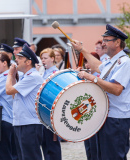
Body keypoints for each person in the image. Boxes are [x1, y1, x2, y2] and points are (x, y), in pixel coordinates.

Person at [72, 24, 130, 160]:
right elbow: (98, 66)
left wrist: (92, 78)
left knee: (113, 157)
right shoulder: (112, 61)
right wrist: (82, 49)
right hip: (106, 116)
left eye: (106, 40)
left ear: (117, 42)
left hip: (116, 119)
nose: (103, 43)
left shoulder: (125, 62)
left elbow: (117, 89)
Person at [6, 44, 44, 160]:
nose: (15, 60)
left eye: (20, 58)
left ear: (28, 62)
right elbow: (13, 95)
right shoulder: (25, 76)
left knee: (30, 157)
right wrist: (13, 76)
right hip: (22, 122)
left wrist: (9, 74)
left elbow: (8, 90)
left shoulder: (33, 76)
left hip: (30, 124)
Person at [40, 48, 62, 160]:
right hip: (43, 110)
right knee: (45, 143)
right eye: (42, 58)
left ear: (52, 59)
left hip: (51, 110)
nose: (43, 60)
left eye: (45, 58)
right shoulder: (44, 72)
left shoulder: (55, 73)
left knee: (52, 144)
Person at [82, 51, 100, 160]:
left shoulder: (98, 76)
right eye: (85, 62)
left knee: (95, 147)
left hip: (95, 114)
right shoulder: (86, 75)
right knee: (88, 146)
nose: (87, 65)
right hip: (86, 114)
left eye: (89, 62)